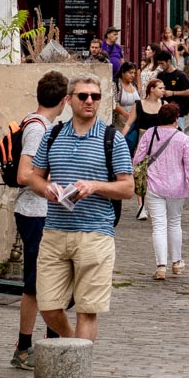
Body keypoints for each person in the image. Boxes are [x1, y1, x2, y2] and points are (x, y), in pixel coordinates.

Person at [27, 75, 134, 341]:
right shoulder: (52, 135)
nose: (89, 101)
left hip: (95, 234)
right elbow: (34, 177)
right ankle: (75, 344)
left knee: (87, 310)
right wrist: (47, 189)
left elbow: (128, 188)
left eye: (95, 97)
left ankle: (77, 370)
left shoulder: (113, 139)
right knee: (48, 306)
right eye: (83, 96)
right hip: (54, 232)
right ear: (69, 99)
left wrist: (95, 186)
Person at [9, 69, 68, 370]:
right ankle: (24, 347)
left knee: (50, 280)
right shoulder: (38, 129)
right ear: (64, 100)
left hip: (42, 212)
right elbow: (23, 175)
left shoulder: (43, 125)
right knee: (34, 283)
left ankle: (50, 341)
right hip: (35, 212)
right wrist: (54, 191)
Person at [133, 103, 189, 281]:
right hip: (177, 187)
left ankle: (161, 266)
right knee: (174, 223)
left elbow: (137, 159)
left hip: (154, 185)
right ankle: (177, 262)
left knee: (158, 225)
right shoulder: (183, 138)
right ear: (175, 118)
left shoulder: (151, 133)